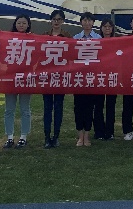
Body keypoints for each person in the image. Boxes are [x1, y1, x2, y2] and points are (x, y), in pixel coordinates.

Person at [2, 14, 32, 149]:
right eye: (19, 23)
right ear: (15, 24)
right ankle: (9, 137)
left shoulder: (32, 39)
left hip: (26, 78)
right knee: (9, 109)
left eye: (24, 23)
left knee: (25, 109)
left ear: (28, 25)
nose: (21, 25)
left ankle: (23, 137)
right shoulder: (8, 38)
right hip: (11, 77)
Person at [42, 9, 71, 148]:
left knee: (58, 107)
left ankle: (56, 136)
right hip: (47, 77)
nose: (56, 22)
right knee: (47, 108)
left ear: (63, 21)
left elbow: (72, 55)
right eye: (54, 19)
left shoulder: (67, 36)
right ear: (51, 21)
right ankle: (47, 137)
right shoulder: (44, 36)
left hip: (61, 76)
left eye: (59, 19)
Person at [74, 12, 102, 146]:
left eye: (89, 20)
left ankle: (87, 135)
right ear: (81, 22)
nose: (87, 23)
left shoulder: (98, 38)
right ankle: (80, 136)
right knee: (78, 107)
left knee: (90, 107)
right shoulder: (75, 38)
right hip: (79, 77)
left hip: (92, 77)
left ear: (93, 23)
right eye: (84, 20)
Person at [99, 18, 118, 140]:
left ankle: (110, 132)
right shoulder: (97, 41)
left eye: (109, 26)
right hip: (99, 77)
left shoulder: (116, 42)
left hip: (112, 77)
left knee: (111, 105)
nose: (107, 28)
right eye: (105, 26)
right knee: (99, 105)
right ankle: (99, 131)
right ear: (101, 28)